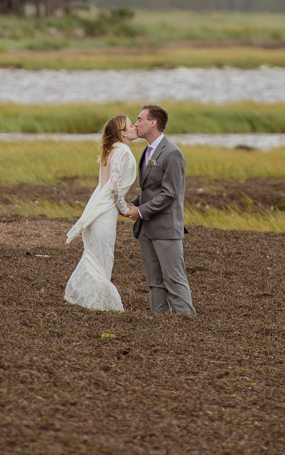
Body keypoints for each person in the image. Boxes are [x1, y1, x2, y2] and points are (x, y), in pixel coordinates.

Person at [125, 103, 195, 315]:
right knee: (155, 283)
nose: (135, 124)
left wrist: (140, 211)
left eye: (139, 119)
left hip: (166, 228)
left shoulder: (172, 153)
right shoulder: (147, 151)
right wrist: (132, 204)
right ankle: (160, 324)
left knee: (174, 280)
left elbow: (169, 193)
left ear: (152, 122)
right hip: (146, 229)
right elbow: (150, 190)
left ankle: (188, 324)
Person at [64, 114, 138, 311]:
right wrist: (125, 210)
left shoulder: (112, 151)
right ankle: (99, 305)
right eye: (132, 125)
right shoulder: (122, 152)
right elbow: (114, 188)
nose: (135, 127)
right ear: (123, 133)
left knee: (96, 259)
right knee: (102, 262)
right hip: (104, 214)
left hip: (98, 211)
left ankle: (96, 304)